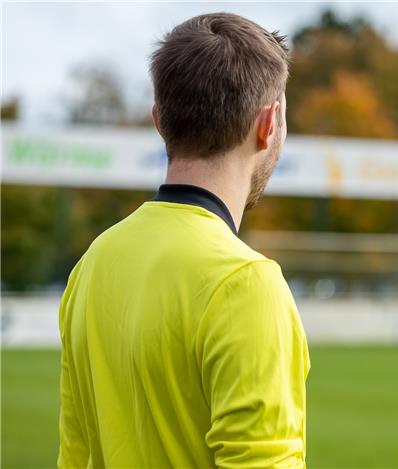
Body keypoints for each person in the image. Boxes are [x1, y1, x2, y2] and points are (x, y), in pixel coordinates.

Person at [58, 13, 310, 468]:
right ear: (269, 124)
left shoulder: (92, 263)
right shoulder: (245, 282)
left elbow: (75, 456)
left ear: (160, 121)